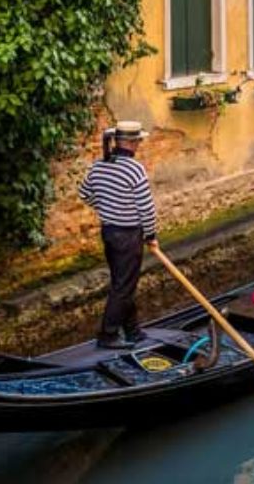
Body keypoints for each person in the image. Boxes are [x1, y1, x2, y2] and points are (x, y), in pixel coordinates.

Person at [79, 121, 158, 349]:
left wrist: (105, 207)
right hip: (129, 235)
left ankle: (132, 331)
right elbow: (146, 208)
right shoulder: (134, 169)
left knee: (122, 284)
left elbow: (84, 194)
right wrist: (151, 234)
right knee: (124, 286)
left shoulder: (98, 166)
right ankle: (108, 335)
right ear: (132, 143)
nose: (139, 145)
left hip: (109, 232)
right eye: (138, 141)